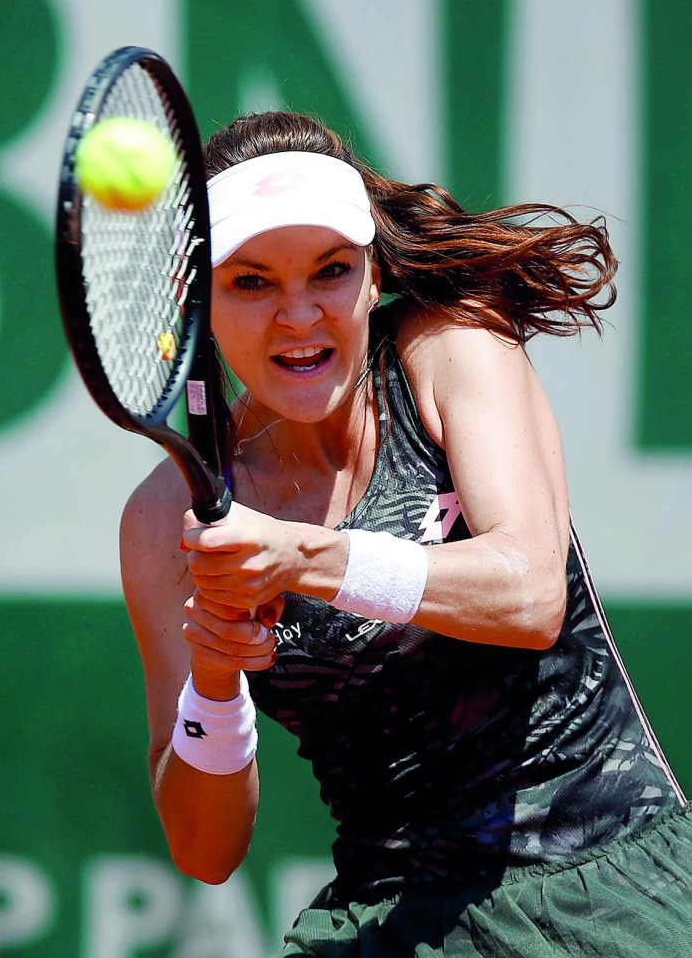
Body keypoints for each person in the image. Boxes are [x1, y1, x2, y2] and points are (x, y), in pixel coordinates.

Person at [120, 110, 691, 956]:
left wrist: (306, 557)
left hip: (605, 887)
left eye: (330, 271)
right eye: (252, 282)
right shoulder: (165, 516)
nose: (300, 315)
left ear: (375, 271)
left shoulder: (453, 348)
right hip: (391, 919)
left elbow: (530, 591)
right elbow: (205, 851)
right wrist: (213, 676)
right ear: (197, 296)